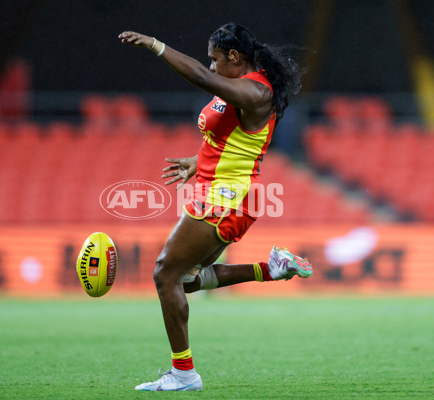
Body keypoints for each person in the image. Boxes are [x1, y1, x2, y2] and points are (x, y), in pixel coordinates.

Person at [119, 22, 312, 392]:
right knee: (187, 279)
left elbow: (202, 81)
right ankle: (270, 269)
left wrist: (157, 45)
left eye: (214, 59)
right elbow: (230, 140)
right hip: (217, 190)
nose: (210, 66)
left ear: (234, 57)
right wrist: (198, 161)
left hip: (225, 197)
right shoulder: (239, 89)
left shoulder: (256, 92)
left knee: (165, 274)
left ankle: (184, 375)